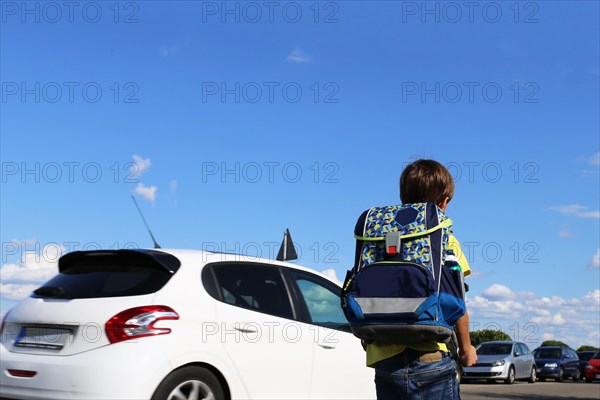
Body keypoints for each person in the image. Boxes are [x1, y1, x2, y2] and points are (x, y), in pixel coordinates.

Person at [367, 159, 477, 400]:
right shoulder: (446, 240)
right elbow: (456, 302)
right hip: (431, 356)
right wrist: (467, 348)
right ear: (444, 202)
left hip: (385, 360)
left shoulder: (379, 236)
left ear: (403, 196)